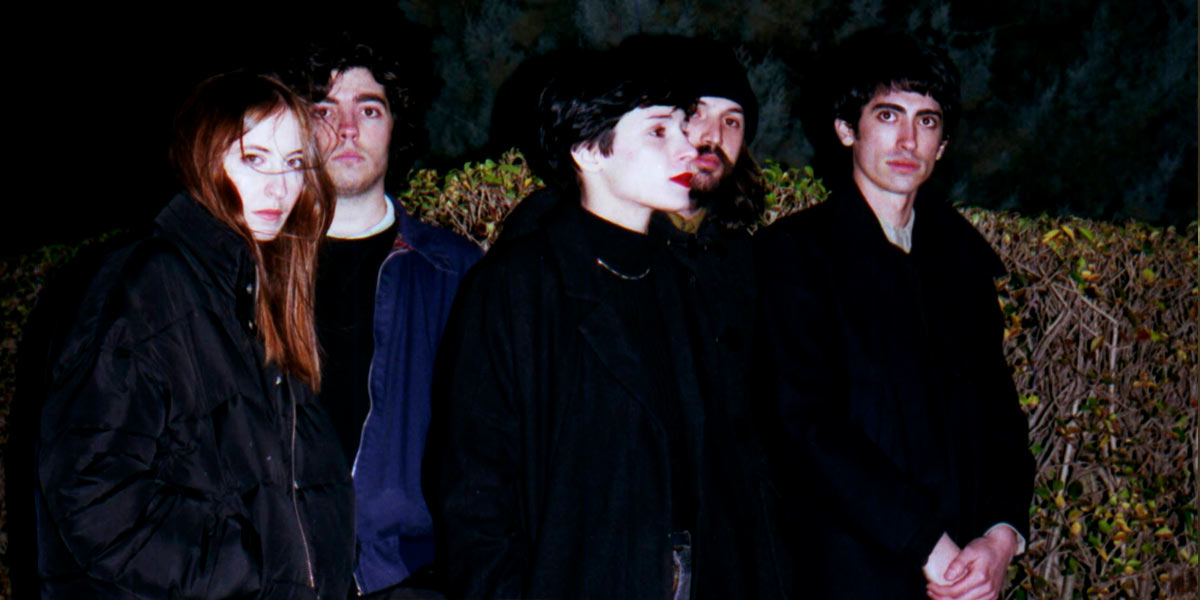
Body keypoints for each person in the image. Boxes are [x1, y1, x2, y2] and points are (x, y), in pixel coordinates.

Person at [429, 49, 790, 599]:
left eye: (683, 127)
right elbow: (473, 491)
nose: (688, 146)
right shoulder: (517, 287)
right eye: (659, 131)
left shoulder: (686, 281)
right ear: (587, 151)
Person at [31, 72, 354, 598]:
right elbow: (90, 489)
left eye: (295, 163)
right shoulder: (151, 285)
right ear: (204, 158)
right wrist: (248, 571)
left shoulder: (253, 301)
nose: (280, 187)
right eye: (254, 159)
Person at [755, 30, 1034, 600]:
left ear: (943, 144)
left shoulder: (961, 265)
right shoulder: (794, 256)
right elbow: (804, 427)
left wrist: (1000, 538)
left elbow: (1000, 421)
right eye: (888, 116)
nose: (908, 140)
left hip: (961, 580)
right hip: (842, 575)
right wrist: (927, 544)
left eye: (927, 121)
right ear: (846, 129)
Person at [287, 31, 481, 598]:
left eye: (369, 109)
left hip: (413, 577)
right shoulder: (257, 270)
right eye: (325, 110)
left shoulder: (458, 272)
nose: (347, 129)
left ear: (397, 125)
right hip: (280, 572)